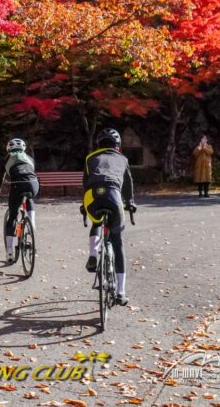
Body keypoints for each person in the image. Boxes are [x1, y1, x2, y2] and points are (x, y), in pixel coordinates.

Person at [80, 128, 136, 306]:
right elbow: (128, 185)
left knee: (96, 221)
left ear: (98, 144)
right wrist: (131, 202)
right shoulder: (123, 159)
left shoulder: (90, 158)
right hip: (114, 196)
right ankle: (120, 292)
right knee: (117, 242)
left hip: (92, 196)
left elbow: (85, 183)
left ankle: (93, 254)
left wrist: (84, 205)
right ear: (117, 146)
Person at [0, 138, 39, 264]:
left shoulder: (7, 158)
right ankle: (32, 224)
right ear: (23, 148)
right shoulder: (30, 158)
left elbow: (1, 178)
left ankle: (9, 251)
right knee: (29, 198)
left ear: (9, 149)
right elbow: (30, 173)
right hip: (33, 184)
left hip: (17, 185)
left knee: (12, 216)